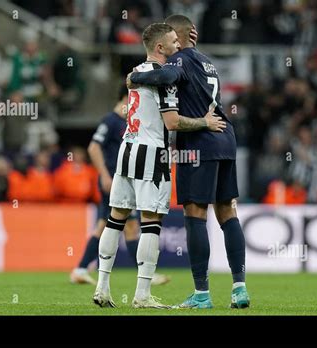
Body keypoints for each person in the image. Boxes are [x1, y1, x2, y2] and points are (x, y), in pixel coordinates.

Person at [93, 23, 225, 309]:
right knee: (151, 224)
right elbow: (173, 123)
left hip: (127, 150)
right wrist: (205, 122)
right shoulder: (165, 80)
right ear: (160, 48)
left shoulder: (137, 73)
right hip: (152, 154)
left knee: (115, 219)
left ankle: (102, 288)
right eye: (174, 42)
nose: (178, 46)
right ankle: (142, 294)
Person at [127, 15, 250, 309]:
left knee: (194, 214)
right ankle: (239, 288)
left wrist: (134, 77)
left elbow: (166, 77)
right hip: (226, 140)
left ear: (176, 39)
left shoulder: (178, 60)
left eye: (170, 38)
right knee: (227, 213)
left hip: (200, 145)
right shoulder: (207, 62)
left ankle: (202, 294)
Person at [70, 87, 170, 286]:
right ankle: (144, 275)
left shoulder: (125, 122)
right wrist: (105, 175)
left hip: (122, 180)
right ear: (125, 98)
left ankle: (82, 269)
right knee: (120, 226)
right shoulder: (111, 121)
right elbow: (93, 147)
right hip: (113, 180)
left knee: (117, 226)